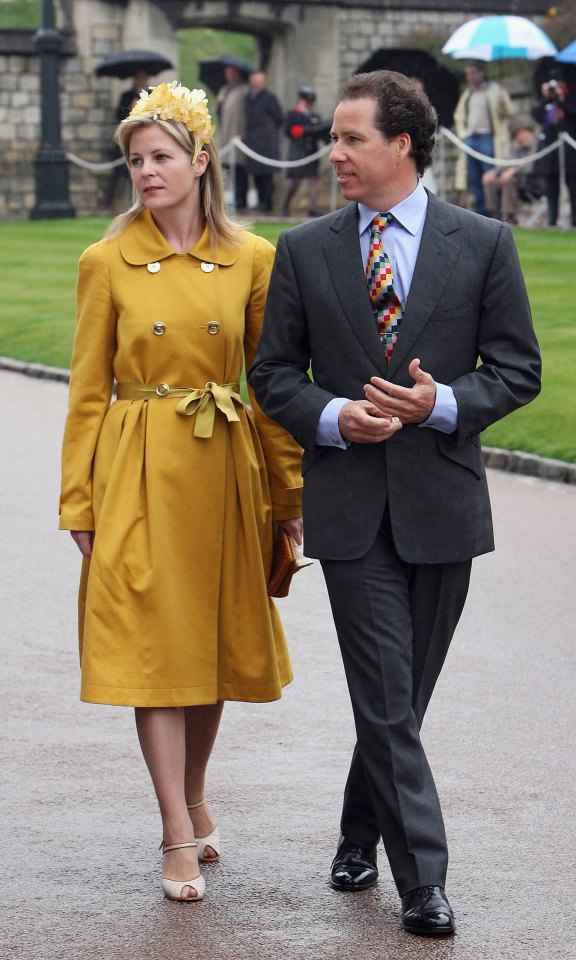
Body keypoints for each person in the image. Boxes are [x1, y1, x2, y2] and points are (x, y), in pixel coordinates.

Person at [250, 70, 541, 937]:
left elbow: (516, 370)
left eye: (349, 139)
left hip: (442, 505)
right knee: (385, 694)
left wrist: (439, 404)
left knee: (399, 701)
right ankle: (423, 883)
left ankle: (356, 829)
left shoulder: (483, 241)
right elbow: (270, 375)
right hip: (347, 508)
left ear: (401, 144)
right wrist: (334, 416)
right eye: (331, 138)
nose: (331, 152)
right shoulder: (303, 248)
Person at [59, 81, 303, 904]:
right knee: (151, 652)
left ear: (202, 161)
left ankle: (196, 793)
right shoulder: (105, 260)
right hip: (134, 470)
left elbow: (270, 387)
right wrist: (78, 502)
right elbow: (87, 390)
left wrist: (287, 493)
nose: (146, 172)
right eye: (135, 160)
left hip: (224, 466)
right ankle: (173, 829)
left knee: (208, 649)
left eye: (161, 157)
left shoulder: (255, 259)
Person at [453, 61, 515, 216]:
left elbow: (509, 113)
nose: (470, 77)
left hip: (489, 139)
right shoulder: (468, 94)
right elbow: (459, 115)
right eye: (467, 74)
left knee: (490, 178)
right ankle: (480, 212)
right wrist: (463, 134)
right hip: (472, 139)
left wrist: (502, 104)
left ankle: (494, 213)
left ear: (481, 73)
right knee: (474, 179)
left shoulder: (496, 91)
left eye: (472, 73)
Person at [531, 68, 576, 228]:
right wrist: (545, 97)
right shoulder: (548, 101)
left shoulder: (573, 98)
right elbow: (537, 115)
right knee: (552, 189)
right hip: (551, 151)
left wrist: (562, 99)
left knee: (574, 189)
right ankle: (552, 222)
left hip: (571, 153)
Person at [481, 119, 545, 225]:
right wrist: (493, 172)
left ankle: (509, 216)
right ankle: (493, 215)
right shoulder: (518, 150)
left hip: (535, 183)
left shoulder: (539, 146)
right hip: (519, 184)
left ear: (530, 132)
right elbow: (507, 163)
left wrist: (514, 171)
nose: (520, 137)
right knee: (492, 181)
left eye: (522, 133)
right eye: (517, 135)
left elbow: (531, 166)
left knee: (508, 180)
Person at [103, 68, 150, 208]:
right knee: (120, 174)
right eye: (139, 76)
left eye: (144, 76)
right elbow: (119, 116)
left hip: (146, 138)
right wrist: (131, 109)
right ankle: (111, 204)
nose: (142, 79)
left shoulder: (153, 94)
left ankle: (139, 203)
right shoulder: (127, 95)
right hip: (129, 139)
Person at [283, 87, 330, 217]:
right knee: (295, 181)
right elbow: (291, 131)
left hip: (311, 151)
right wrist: (307, 130)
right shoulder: (293, 114)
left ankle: (313, 207)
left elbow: (320, 133)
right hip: (299, 151)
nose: (308, 105)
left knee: (313, 180)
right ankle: (286, 204)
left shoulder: (314, 116)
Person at [244, 70, 283, 212]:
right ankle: (261, 201)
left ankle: (267, 202)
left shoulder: (269, 98)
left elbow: (279, 117)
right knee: (256, 173)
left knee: (267, 175)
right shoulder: (248, 97)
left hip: (266, 142)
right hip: (253, 142)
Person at [216, 64, 250, 211]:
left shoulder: (244, 90)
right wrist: (218, 106)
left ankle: (241, 198)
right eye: (227, 73)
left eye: (231, 73)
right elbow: (219, 114)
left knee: (239, 167)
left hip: (238, 133)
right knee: (228, 166)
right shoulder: (224, 90)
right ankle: (235, 197)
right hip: (226, 133)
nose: (228, 75)